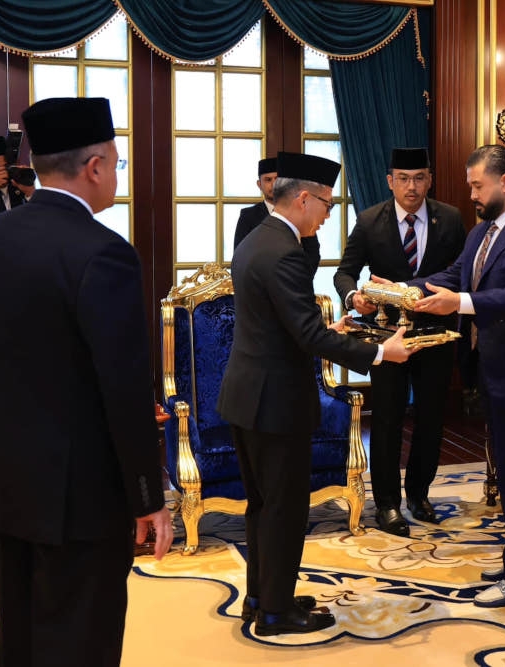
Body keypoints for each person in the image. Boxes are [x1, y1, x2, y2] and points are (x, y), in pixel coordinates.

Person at [0, 97, 172, 667]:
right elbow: (124, 390)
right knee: (82, 640)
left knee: (21, 634)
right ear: (95, 166)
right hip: (80, 495)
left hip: (7, 481)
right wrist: (148, 498)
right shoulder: (104, 253)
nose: (116, 175)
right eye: (117, 163)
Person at [216, 151, 415, 637]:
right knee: (283, 509)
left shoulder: (258, 238)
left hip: (247, 395)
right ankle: (277, 615)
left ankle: (264, 598)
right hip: (275, 402)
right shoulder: (282, 251)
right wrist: (380, 354)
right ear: (303, 198)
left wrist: (330, 325)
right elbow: (307, 336)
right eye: (325, 204)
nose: (328, 214)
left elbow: (285, 322)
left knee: (262, 505)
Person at [407, 144, 505, 608]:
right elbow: (455, 274)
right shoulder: (481, 233)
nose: (472, 194)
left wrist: (458, 304)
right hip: (493, 369)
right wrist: (399, 289)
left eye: (477, 185)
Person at [333, 147, 466, 536]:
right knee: (388, 419)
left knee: (431, 418)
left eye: (420, 177)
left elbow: (459, 274)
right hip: (387, 338)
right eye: (404, 179)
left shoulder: (451, 219)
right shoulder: (370, 220)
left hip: (437, 335)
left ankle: (420, 494)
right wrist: (352, 297)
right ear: (391, 181)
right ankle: (387, 504)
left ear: (430, 179)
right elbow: (345, 272)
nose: (412, 186)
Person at [233, 157, 321, 275]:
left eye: (277, 179)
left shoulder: (300, 212)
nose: (274, 184)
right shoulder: (248, 216)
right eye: (268, 180)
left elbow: (312, 253)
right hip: (259, 287)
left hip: (295, 283)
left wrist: (299, 279)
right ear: (259, 184)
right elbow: (240, 256)